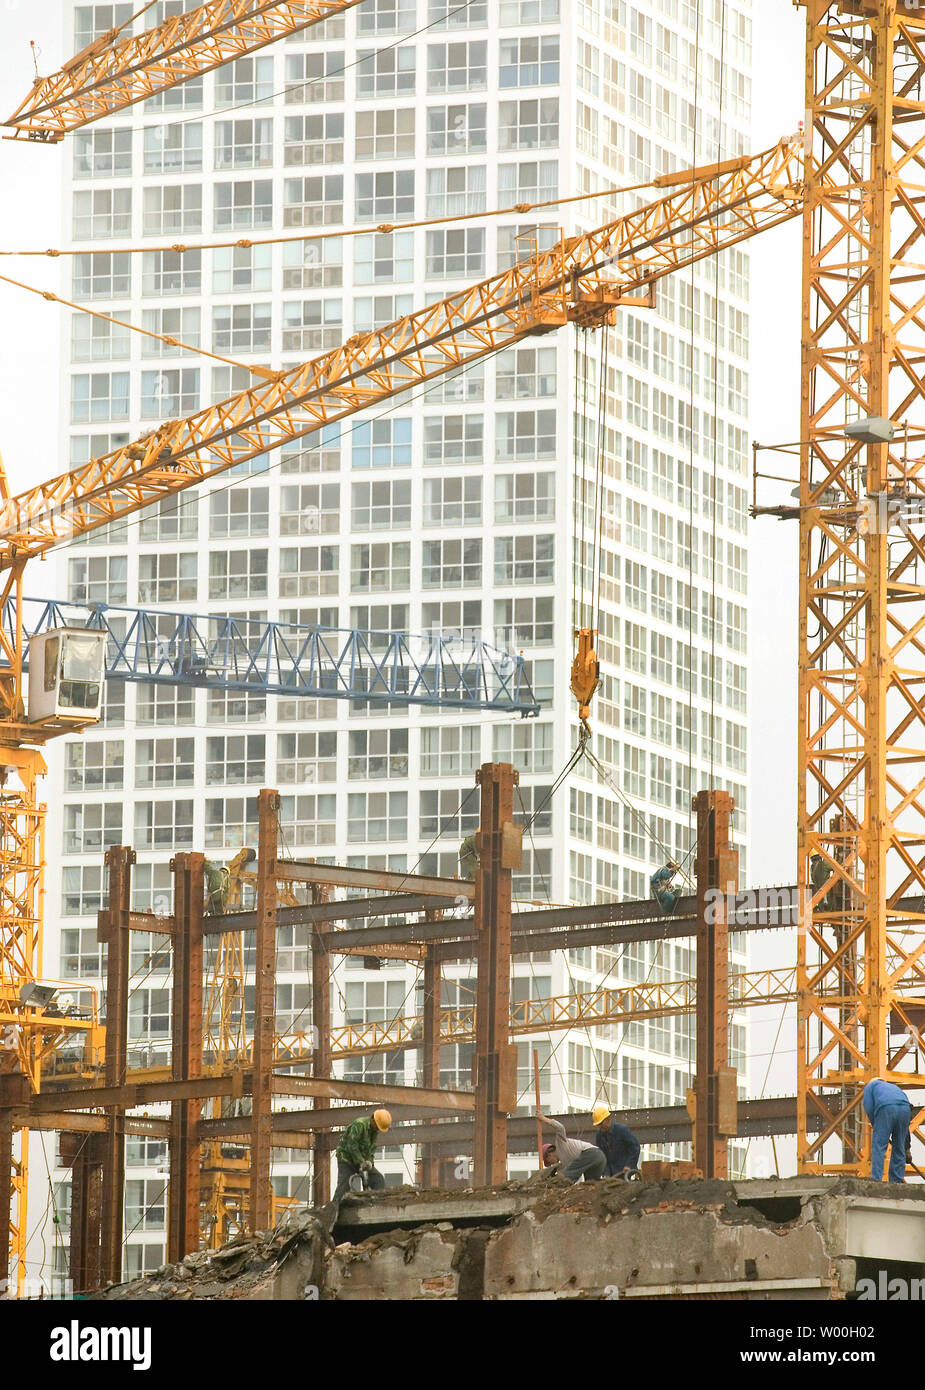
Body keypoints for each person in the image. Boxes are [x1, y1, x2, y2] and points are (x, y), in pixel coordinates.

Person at [333, 1108, 392, 1202]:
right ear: (373, 1120)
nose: (377, 1129)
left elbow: (371, 1150)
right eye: (377, 1127)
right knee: (344, 1186)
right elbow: (352, 1145)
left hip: (362, 1161)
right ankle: (334, 1207)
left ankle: (377, 1203)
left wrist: (369, 1162)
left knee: (378, 1179)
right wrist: (361, 1162)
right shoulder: (359, 1124)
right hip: (346, 1159)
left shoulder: (374, 1132)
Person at [863, 1079, 912, 1184]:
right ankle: (896, 1181)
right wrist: (907, 1148)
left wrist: (877, 1126)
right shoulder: (893, 1087)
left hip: (886, 1108)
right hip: (905, 1109)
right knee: (899, 1146)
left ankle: (876, 1180)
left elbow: (869, 1107)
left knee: (879, 1146)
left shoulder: (869, 1087)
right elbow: (906, 1127)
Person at [538, 1114, 605, 1182]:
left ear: (549, 1155)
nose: (552, 1164)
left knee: (563, 1178)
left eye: (549, 1162)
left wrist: (543, 1119)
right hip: (600, 1157)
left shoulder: (560, 1143)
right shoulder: (565, 1163)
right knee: (590, 1185)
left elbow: (560, 1128)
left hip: (591, 1153)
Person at [591, 1103, 641, 1177]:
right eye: (598, 1124)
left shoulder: (622, 1130)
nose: (600, 1127)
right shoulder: (599, 1136)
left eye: (601, 1123)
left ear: (607, 1119)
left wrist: (629, 1165)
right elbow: (602, 1157)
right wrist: (606, 1173)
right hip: (611, 1174)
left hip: (625, 1172)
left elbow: (635, 1148)